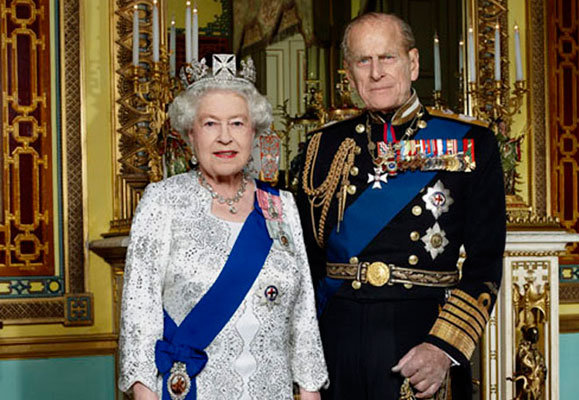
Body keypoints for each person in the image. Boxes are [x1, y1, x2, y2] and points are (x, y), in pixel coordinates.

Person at [296, 13, 506, 400]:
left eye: (387, 58)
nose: (376, 72)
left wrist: (444, 347)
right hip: (336, 339)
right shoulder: (321, 147)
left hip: (421, 334)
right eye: (364, 61)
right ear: (349, 72)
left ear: (413, 63)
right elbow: (305, 262)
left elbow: (486, 262)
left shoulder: (470, 142)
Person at [119, 54, 328, 400]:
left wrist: (309, 391)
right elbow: (139, 314)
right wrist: (144, 393)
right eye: (211, 124)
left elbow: (303, 312)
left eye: (237, 123)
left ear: (254, 131)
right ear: (190, 133)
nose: (225, 138)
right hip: (193, 389)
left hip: (270, 389)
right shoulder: (163, 201)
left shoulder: (281, 205)